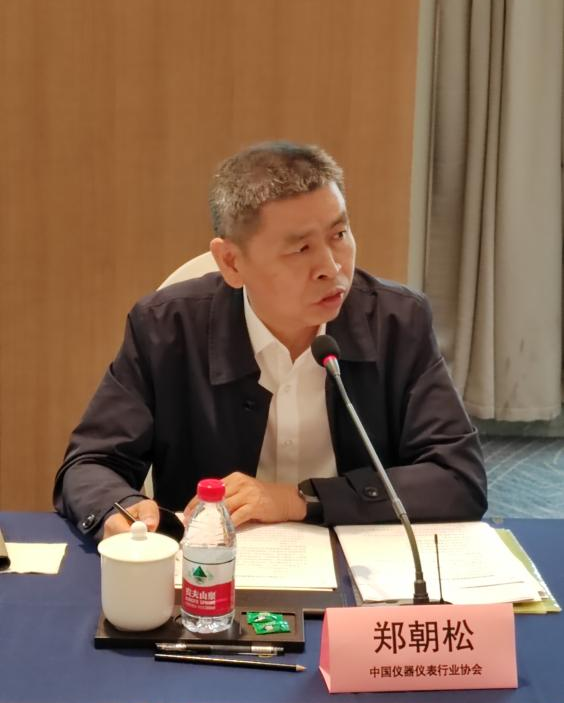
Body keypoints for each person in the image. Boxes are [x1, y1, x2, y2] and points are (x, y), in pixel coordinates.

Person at [54, 141, 487, 541]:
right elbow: (91, 464)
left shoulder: (397, 321)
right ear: (231, 262)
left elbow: (457, 478)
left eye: (339, 235)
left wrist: (300, 499)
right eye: (300, 249)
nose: (331, 267)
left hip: (359, 566)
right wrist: (122, 509)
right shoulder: (166, 328)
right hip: (213, 571)